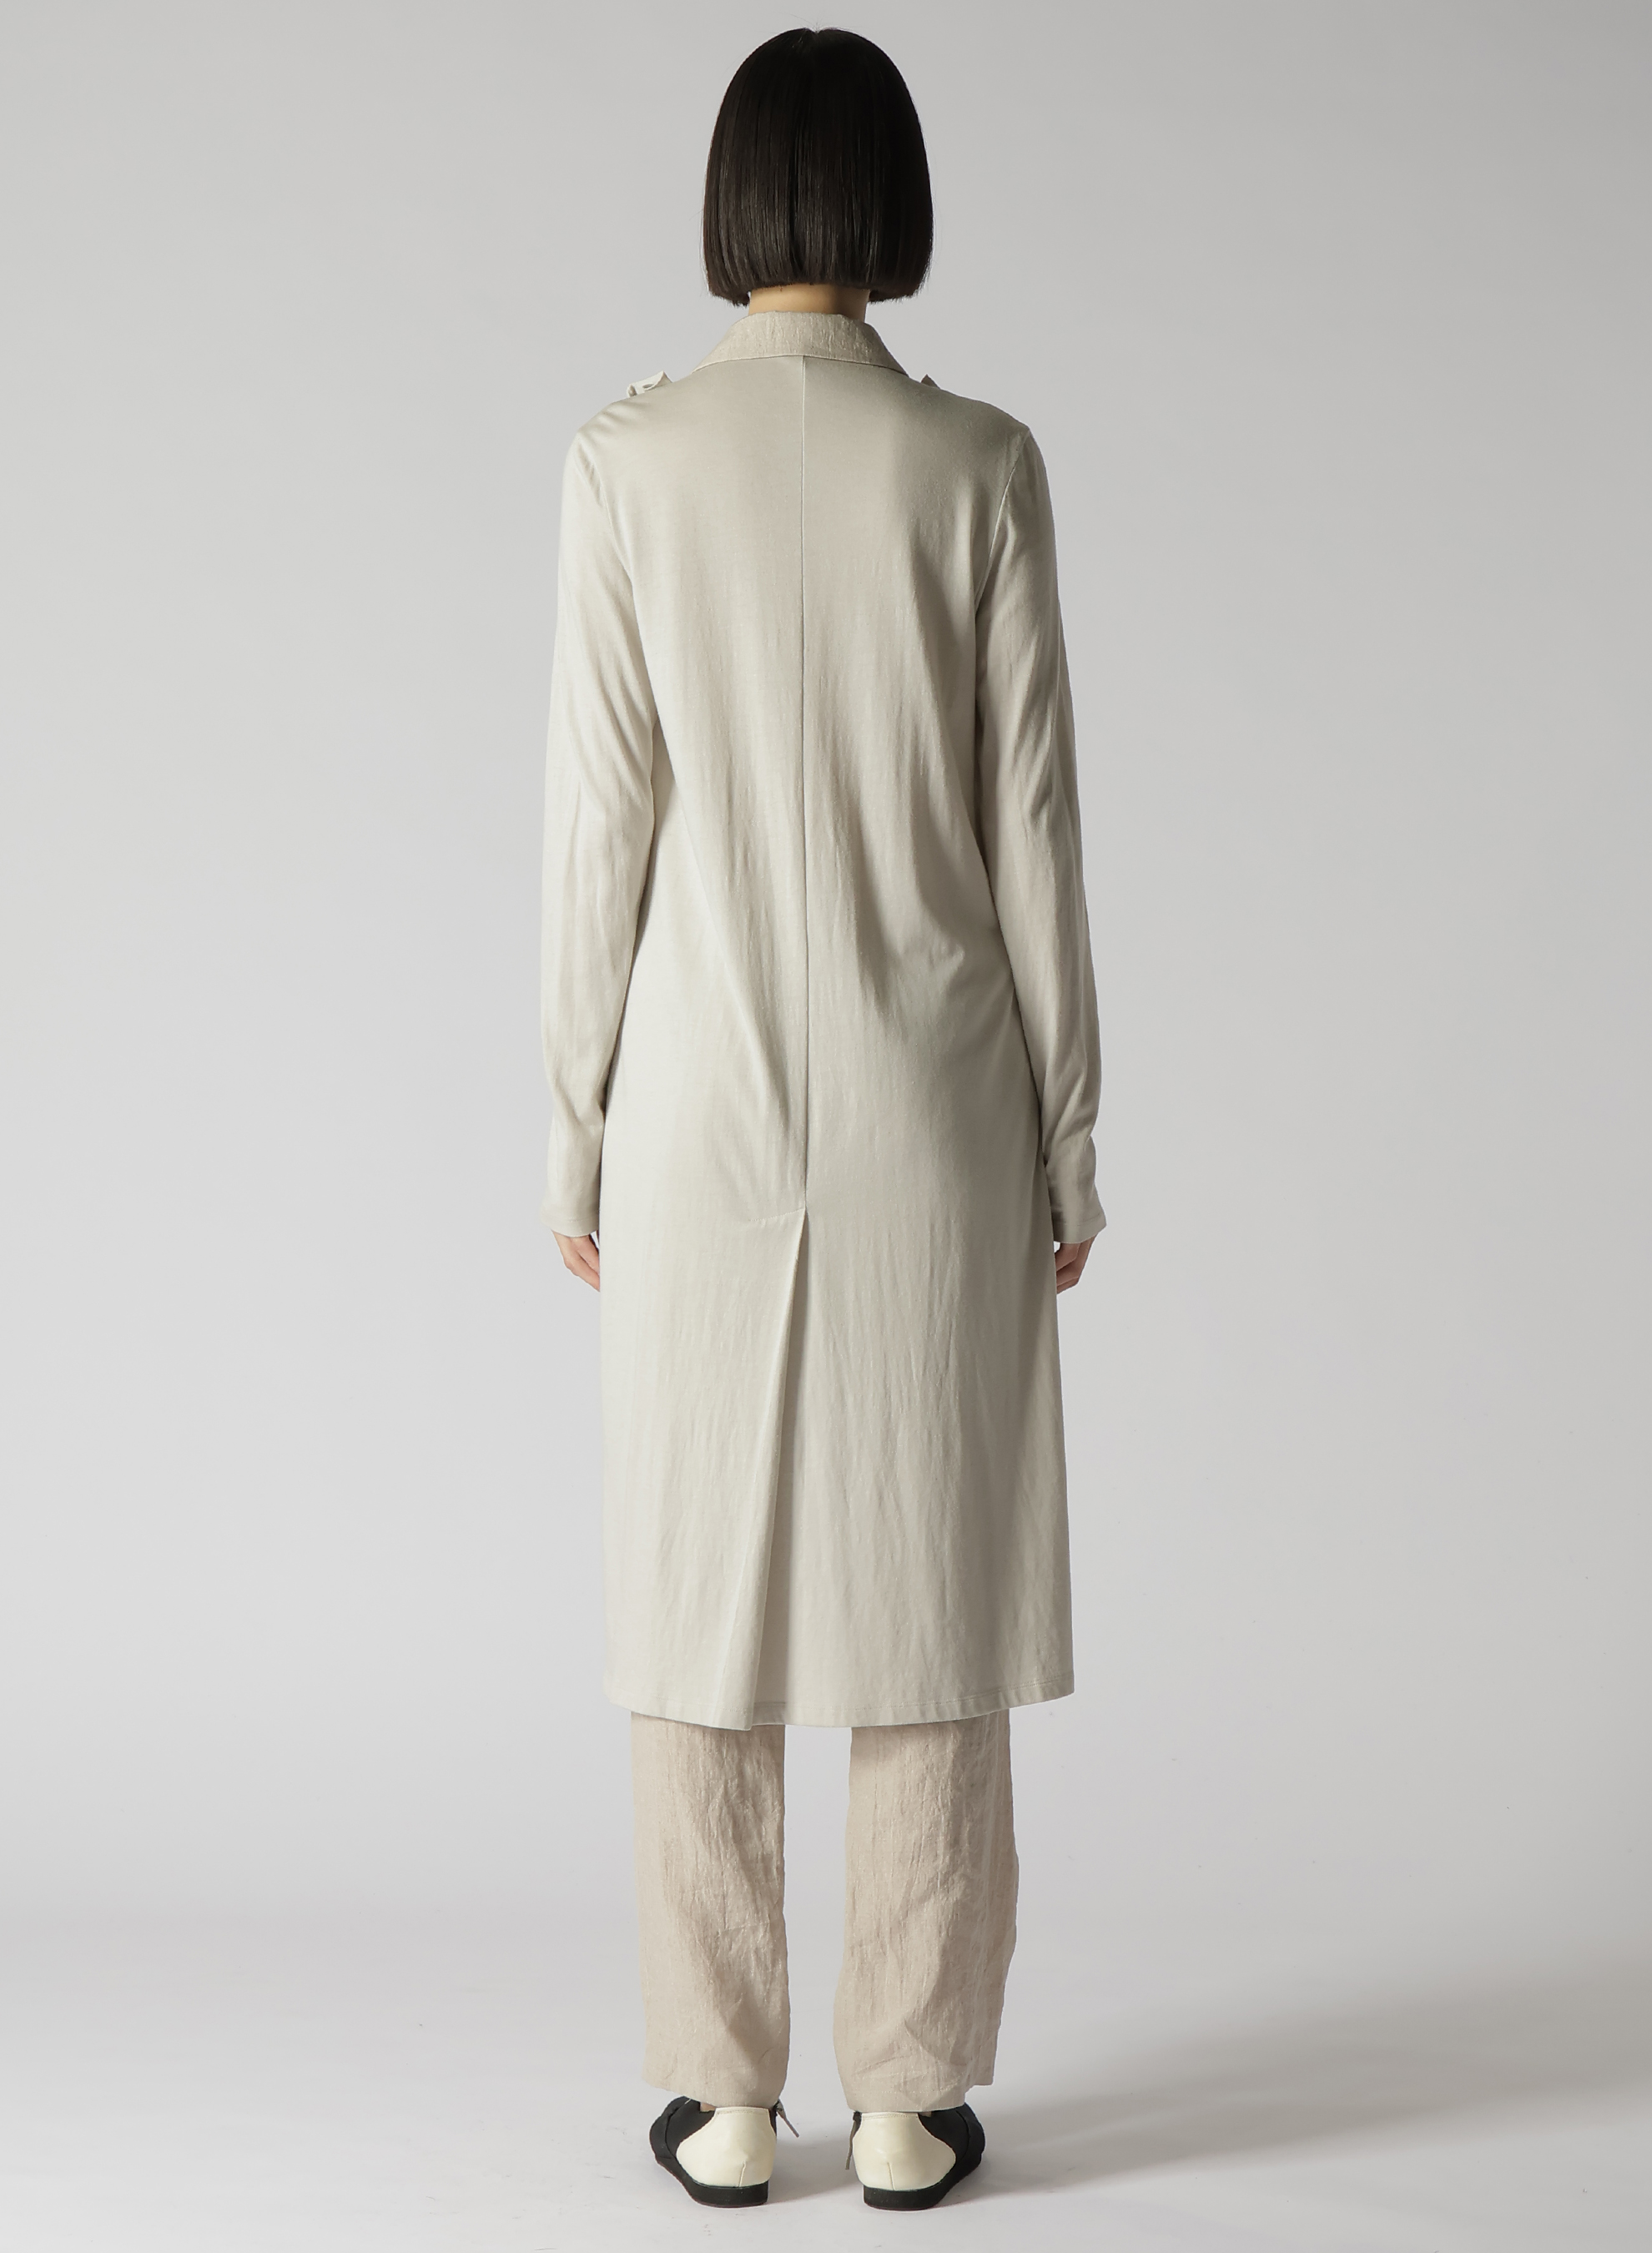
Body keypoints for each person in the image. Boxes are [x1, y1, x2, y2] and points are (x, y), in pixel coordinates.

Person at [540, 26, 1104, 2213]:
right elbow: (1030, 829)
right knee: (926, 1585)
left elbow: (598, 835)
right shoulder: (978, 464)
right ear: (891, 202)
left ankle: (718, 2097)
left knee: (699, 1590)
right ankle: (907, 2094)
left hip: (693, 1107)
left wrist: (573, 1130)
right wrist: (1067, 1134)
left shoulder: (625, 462)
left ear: (732, 199)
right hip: (932, 1101)